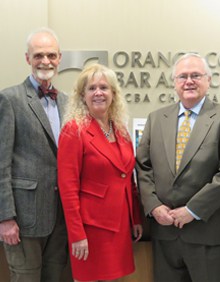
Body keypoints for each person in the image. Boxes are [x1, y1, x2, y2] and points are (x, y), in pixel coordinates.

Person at [136, 53, 220, 282]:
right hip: (165, 233)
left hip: (208, 234)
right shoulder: (156, 118)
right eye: (182, 76)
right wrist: (154, 206)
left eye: (196, 75)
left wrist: (192, 210)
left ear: (208, 80)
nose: (189, 81)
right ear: (174, 82)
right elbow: (143, 166)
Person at [58, 63, 143, 282]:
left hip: (120, 225)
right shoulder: (74, 129)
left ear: (113, 94)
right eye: (91, 88)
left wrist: (135, 218)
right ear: (82, 95)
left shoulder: (121, 129)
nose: (98, 93)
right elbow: (68, 189)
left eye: (104, 88)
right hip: (91, 229)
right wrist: (76, 235)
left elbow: (127, 177)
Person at [0, 27, 68, 281]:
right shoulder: (10, 99)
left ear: (59, 58)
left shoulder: (68, 102)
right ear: (27, 58)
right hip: (24, 220)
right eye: (38, 55)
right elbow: (1, 163)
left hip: (60, 219)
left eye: (51, 55)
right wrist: (5, 218)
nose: (45, 61)